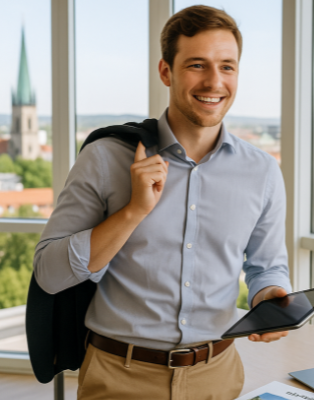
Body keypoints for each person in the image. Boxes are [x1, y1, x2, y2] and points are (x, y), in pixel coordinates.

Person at [32, 6, 292, 399]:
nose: (214, 81)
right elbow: (50, 273)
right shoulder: (106, 158)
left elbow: (266, 266)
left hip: (217, 376)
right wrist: (133, 212)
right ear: (166, 72)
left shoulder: (262, 172)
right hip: (120, 376)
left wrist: (270, 294)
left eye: (227, 66)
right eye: (197, 65)